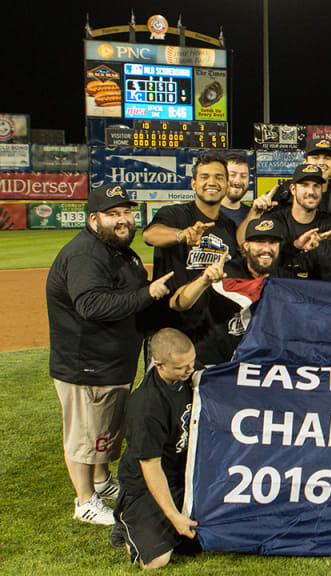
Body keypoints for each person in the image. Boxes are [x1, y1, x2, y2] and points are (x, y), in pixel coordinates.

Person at [46, 183, 175, 525]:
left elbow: (133, 300)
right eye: (113, 214)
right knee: (84, 436)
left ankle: (101, 482)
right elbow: (91, 304)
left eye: (126, 213)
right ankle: (85, 500)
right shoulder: (86, 254)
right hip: (84, 363)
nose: (123, 220)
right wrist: (148, 293)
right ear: (93, 219)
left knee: (103, 429)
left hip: (111, 362)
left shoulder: (119, 251)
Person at [111, 328, 200, 569]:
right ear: (158, 364)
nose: (190, 370)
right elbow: (151, 467)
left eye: (191, 362)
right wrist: (174, 517)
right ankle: (127, 524)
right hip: (147, 485)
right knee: (156, 561)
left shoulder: (184, 374)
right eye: (183, 367)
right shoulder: (147, 406)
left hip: (182, 475)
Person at [169, 217, 292, 365]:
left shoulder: (286, 280)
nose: (266, 248)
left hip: (260, 364)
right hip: (218, 364)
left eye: (272, 242)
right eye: (259, 241)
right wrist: (203, 281)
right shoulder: (224, 274)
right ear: (246, 246)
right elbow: (178, 303)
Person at [143, 153, 239, 338]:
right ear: (193, 184)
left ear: (227, 185)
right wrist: (181, 234)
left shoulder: (229, 227)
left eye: (219, 177)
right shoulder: (174, 214)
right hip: (170, 327)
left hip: (211, 332)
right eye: (204, 177)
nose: (212, 182)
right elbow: (150, 235)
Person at [218, 152, 252, 227]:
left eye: (243, 176)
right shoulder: (207, 213)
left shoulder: (253, 215)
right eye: (232, 175)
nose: (238, 181)